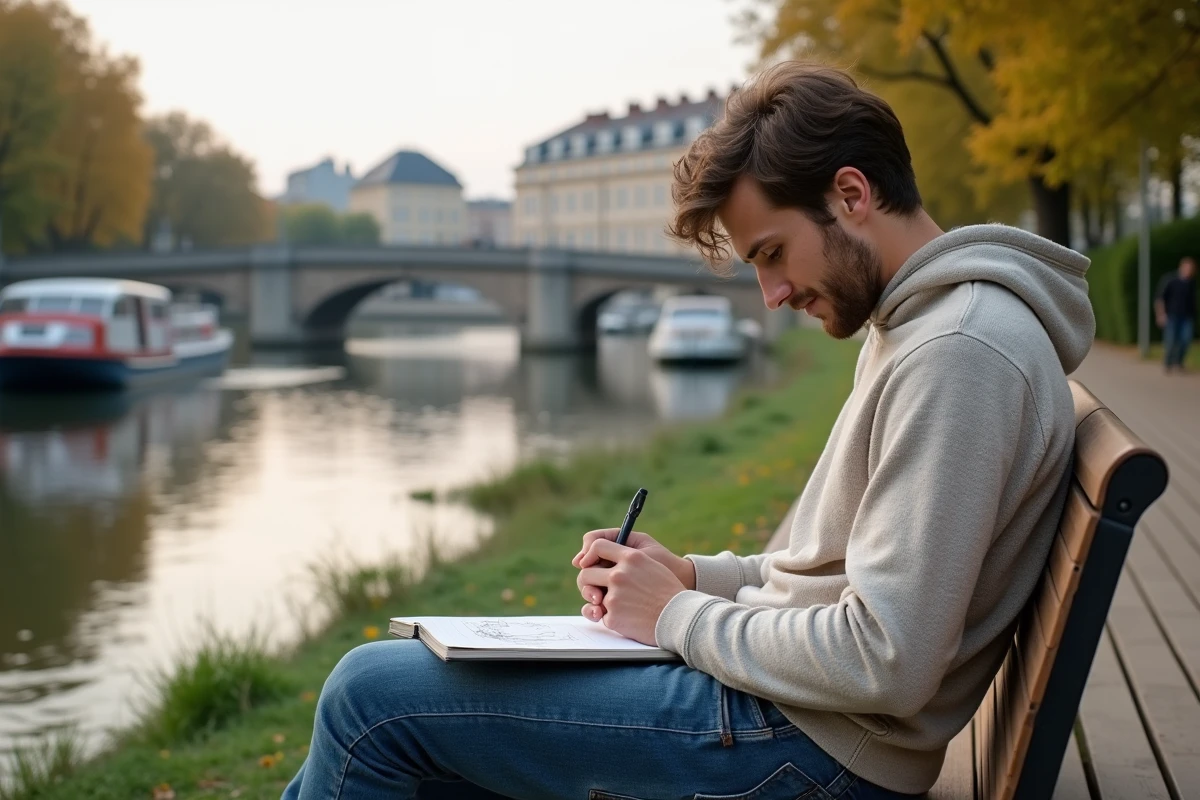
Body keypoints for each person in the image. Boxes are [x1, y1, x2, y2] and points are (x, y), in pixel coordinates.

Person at [282, 62, 1094, 800]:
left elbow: (886, 658)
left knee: (368, 702)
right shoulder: (923, 324)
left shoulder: (958, 351)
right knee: (401, 715)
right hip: (801, 724)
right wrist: (694, 577)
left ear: (852, 195)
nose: (771, 294)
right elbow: (831, 576)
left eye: (774, 253)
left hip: (813, 751)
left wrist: (671, 617)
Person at [1156, 256, 1196, 372]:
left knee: (1186, 340)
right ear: (1182, 267)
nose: (1190, 271)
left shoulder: (1191, 283)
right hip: (1171, 316)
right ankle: (1168, 363)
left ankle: (1178, 362)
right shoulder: (1170, 280)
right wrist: (1160, 314)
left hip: (1186, 317)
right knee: (1171, 340)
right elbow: (1160, 298)